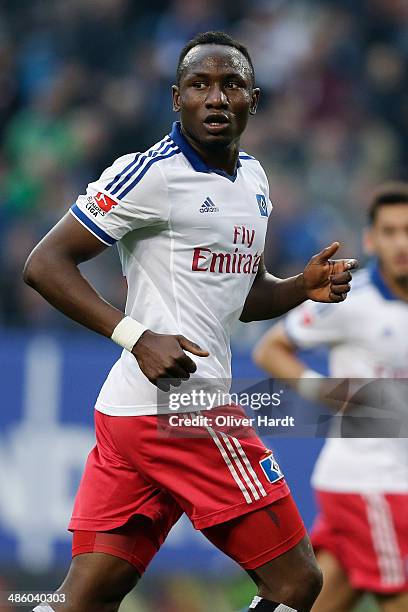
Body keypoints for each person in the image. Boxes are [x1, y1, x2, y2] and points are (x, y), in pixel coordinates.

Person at [24, 31, 357, 612]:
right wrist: (135, 335)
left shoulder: (254, 179)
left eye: (231, 84)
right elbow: (44, 263)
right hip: (181, 408)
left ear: (255, 98)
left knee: (88, 595)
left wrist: (300, 289)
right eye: (200, 85)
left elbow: (243, 299)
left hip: (132, 416)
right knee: (297, 583)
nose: (216, 97)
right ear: (176, 98)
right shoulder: (148, 173)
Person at [253, 183, 408, 612]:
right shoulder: (351, 298)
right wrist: (326, 391)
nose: (401, 243)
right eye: (390, 231)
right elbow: (270, 349)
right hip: (373, 483)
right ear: (372, 239)